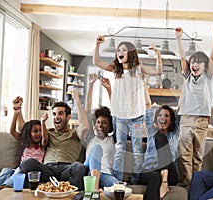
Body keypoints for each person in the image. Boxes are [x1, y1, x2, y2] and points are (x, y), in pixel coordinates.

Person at [93, 36, 162, 183]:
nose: (120, 52)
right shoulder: (116, 70)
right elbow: (97, 62)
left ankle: (135, 180)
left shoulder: (138, 69)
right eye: (118, 50)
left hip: (136, 116)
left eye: (124, 50)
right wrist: (97, 44)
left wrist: (157, 53)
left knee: (137, 151)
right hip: (119, 117)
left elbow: (158, 71)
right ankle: (117, 181)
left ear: (130, 53)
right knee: (120, 150)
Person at [175, 25, 213, 187]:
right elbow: (182, 58)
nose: (195, 65)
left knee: (198, 155)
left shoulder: (208, 77)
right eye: (193, 62)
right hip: (186, 119)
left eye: (199, 62)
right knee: (185, 155)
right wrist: (179, 39)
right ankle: (187, 184)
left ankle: (195, 183)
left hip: (202, 120)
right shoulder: (187, 76)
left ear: (205, 66)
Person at [19, 101, 88, 190]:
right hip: (47, 169)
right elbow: (25, 131)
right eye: (54, 114)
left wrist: (76, 98)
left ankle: (73, 196)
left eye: (60, 114)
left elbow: (85, 126)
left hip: (66, 169)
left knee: (79, 167)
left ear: (68, 117)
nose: (56, 117)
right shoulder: (48, 132)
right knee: (27, 163)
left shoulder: (76, 133)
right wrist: (18, 111)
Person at [72, 73, 118, 190]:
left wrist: (109, 89)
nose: (100, 126)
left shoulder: (112, 139)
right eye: (98, 122)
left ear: (110, 126)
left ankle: (95, 189)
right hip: (88, 173)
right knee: (96, 149)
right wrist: (91, 85)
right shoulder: (91, 137)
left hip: (106, 175)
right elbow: (86, 112)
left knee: (117, 186)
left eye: (104, 123)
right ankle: (95, 189)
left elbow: (117, 114)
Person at [0, 96, 48, 189]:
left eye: (40, 131)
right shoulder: (26, 143)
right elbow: (12, 130)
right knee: (7, 170)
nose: (39, 134)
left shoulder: (42, 145)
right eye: (35, 131)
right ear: (29, 133)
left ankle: (5, 187)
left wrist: (43, 123)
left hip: (31, 171)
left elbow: (45, 139)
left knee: (19, 171)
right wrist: (16, 113)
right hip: (19, 169)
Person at [139, 104, 180, 200]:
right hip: (148, 171)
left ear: (171, 121)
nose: (163, 118)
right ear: (156, 119)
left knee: (162, 137)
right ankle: (163, 182)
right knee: (156, 177)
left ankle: (164, 180)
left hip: (170, 174)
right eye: (160, 115)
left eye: (166, 116)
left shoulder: (175, 135)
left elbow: (180, 114)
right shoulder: (152, 132)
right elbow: (147, 107)